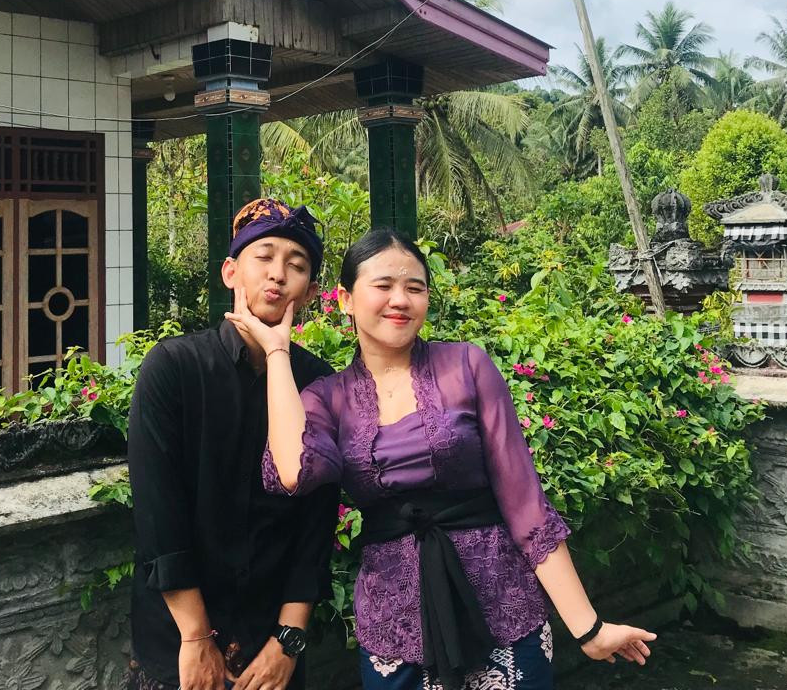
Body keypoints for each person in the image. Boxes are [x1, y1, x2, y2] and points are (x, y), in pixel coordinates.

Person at [227, 227, 657, 690]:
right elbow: (294, 471)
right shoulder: (328, 397)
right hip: (394, 623)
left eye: (415, 288)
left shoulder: (467, 366)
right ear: (345, 299)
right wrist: (277, 351)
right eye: (383, 285)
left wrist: (588, 629)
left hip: (501, 607)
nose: (400, 300)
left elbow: (526, 505)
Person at [128, 198, 339, 690]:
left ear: (310, 292)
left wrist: (289, 640)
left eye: (297, 265)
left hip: (274, 645)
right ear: (230, 272)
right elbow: (159, 514)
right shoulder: (174, 369)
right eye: (263, 256)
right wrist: (195, 635)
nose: (278, 274)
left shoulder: (318, 383)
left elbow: (316, 523)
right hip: (178, 641)